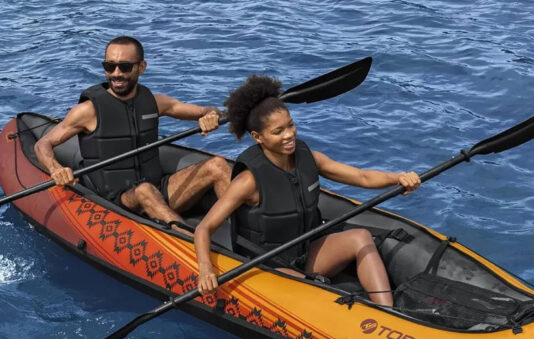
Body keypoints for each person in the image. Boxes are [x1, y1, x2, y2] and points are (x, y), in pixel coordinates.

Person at [194, 75, 421, 306]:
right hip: (269, 265)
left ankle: (387, 311)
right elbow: (204, 228)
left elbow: (361, 177)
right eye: (278, 131)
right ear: (258, 137)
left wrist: (398, 178)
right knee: (312, 288)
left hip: (306, 250)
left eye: (290, 125)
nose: (289, 134)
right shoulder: (248, 181)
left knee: (361, 237)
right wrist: (205, 270)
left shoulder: (308, 158)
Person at [35, 36, 231, 233]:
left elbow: (205, 110)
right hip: (117, 200)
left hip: (158, 188)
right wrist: (55, 168)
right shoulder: (88, 111)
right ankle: (190, 246)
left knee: (218, 165)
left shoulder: (156, 102)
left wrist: (211, 115)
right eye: (109, 66)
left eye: (125, 67)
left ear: (142, 67)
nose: (116, 74)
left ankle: (244, 237)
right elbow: (43, 144)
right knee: (145, 191)